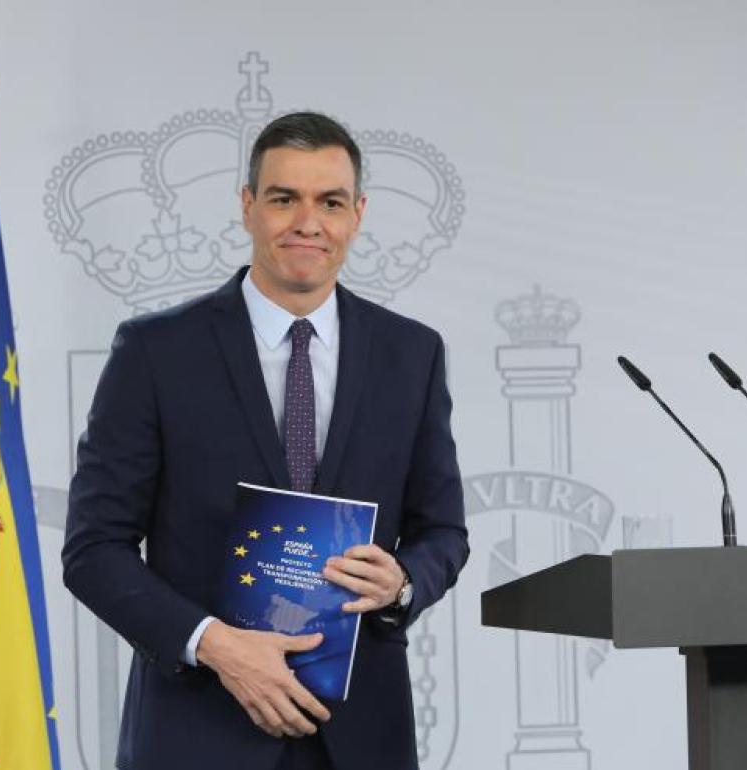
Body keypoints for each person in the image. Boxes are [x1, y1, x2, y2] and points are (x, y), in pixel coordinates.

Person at [63, 111, 468, 770]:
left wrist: (401, 583)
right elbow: (92, 549)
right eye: (285, 198)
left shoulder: (412, 355)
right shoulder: (156, 353)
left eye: (330, 202)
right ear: (248, 206)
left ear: (357, 214)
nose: (308, 222)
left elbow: (443, 533)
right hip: (200, 732)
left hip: (361, 737)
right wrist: (215, 645)